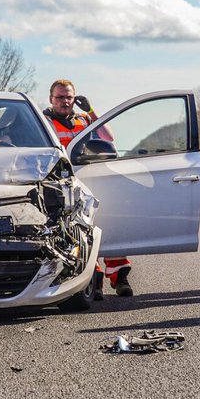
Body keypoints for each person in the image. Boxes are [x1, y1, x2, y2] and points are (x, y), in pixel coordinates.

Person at [43, 79, 133, 297]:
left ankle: (120, 278)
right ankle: (94, 281)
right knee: (80, 233)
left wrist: (91, 111)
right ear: (51, 99)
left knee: (109, 226)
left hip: (93, 179)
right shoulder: (42, 121)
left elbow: (108, 138)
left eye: (69, 97)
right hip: (58, 185)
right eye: (60, 97)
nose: (65, 101)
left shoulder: (84, 119)